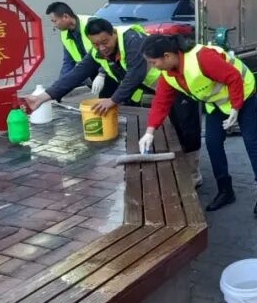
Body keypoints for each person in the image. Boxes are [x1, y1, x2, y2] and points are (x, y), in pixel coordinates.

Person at [23, 19, 203, 185]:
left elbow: (136, 74)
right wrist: (42, 97)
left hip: (179, 83)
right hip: (159, 88)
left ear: (113, 34)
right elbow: (76, 74)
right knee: (167, 129)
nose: (102, 47)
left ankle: (193, 173)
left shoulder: (131, 40)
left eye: (105, 42)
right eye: (96, 44)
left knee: (186, 127)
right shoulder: (97, 52)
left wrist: (113, 100)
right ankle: (177, 169)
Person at [138, 35, 257, 217]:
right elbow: (161, 102)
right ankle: (225, 191)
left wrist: (235, 108)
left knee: (252, 143)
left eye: (153, 62)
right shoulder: (168, 75)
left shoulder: (202, 58)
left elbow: (233, 77)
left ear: (167, 56)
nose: (153, 67)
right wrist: (150, 131)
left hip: (243, 94)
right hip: (217, 104)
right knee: (213, 143)